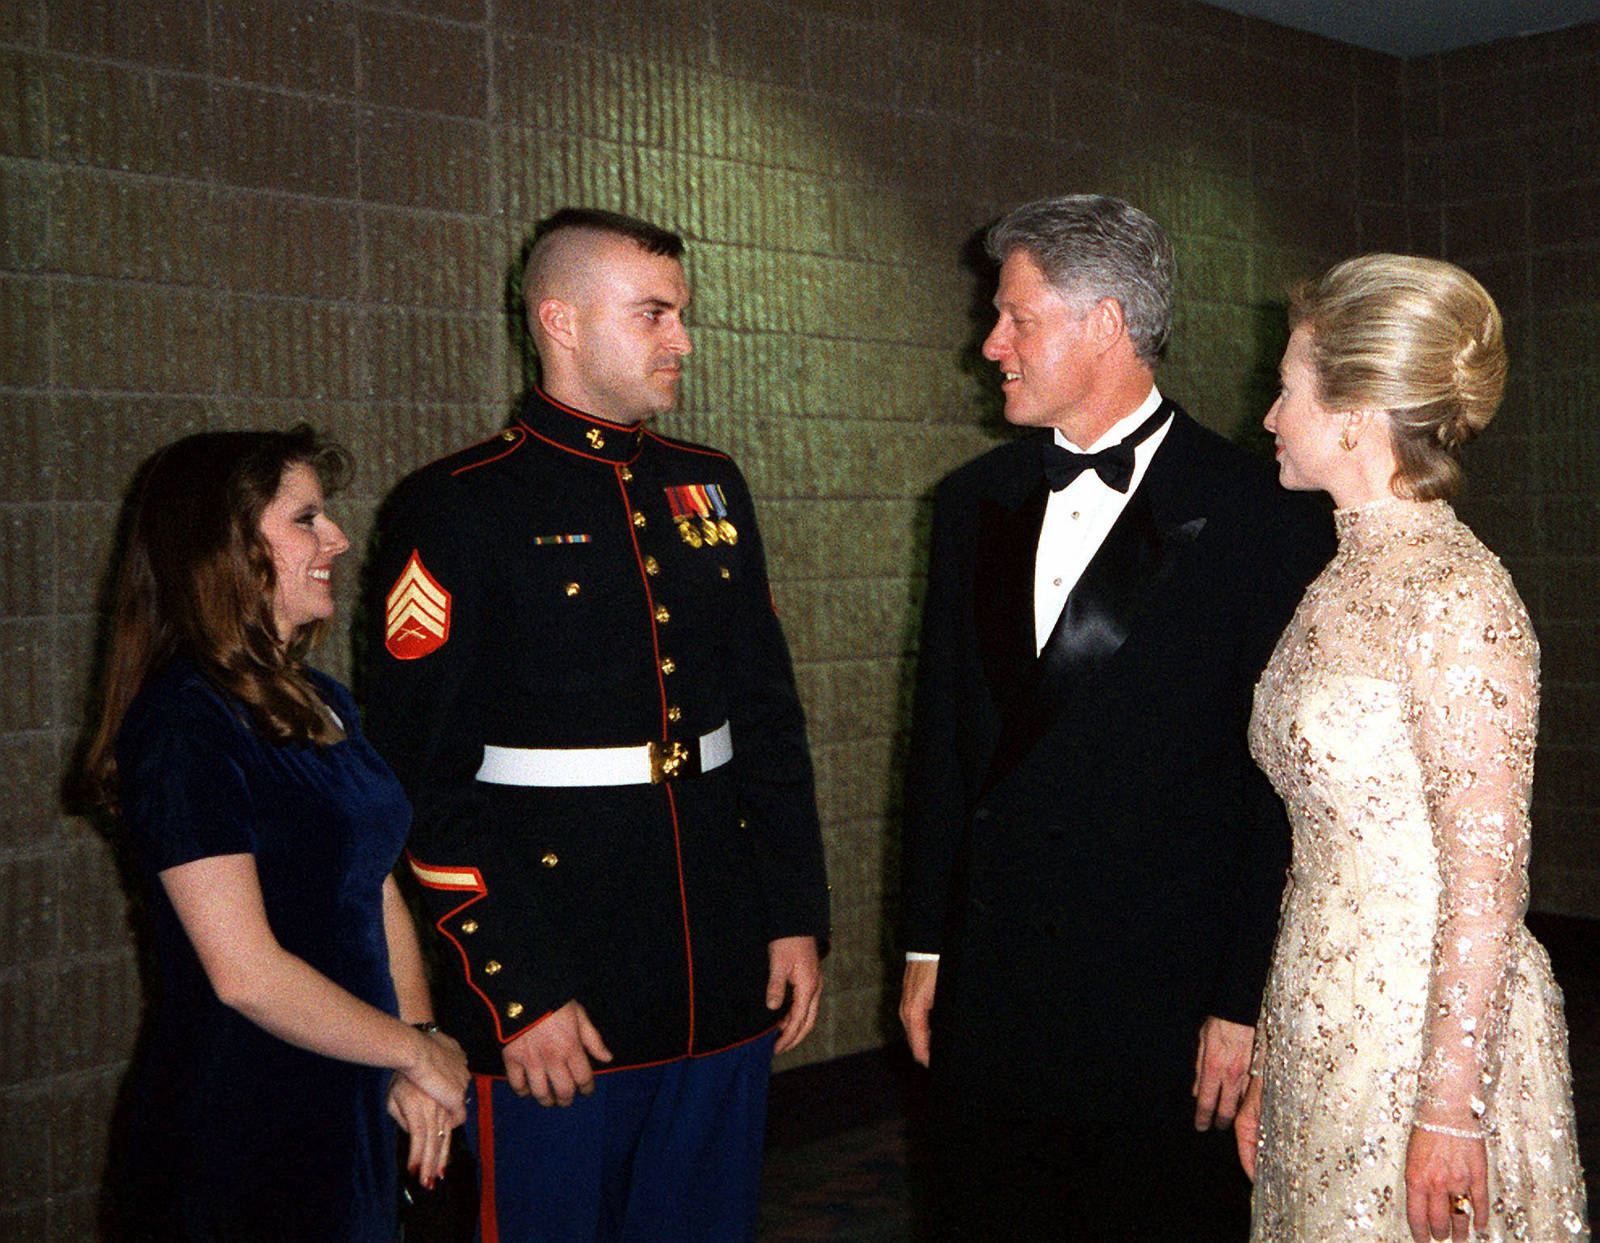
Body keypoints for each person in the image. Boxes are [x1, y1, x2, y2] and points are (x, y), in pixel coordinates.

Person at [364, 207, 830, 1242]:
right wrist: (510, 991)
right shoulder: (458, 506)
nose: (684, 341)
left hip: (718, 956)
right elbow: (419, 780)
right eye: (654, 314)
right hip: (559, 977)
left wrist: (794, 910)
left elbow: (766, 720)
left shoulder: (708, 485)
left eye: (683, 314)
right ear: (559, 321)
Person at [897, 194, 1334, 1240]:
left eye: (1016, 317)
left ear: (1103, 324)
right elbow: (944, 746)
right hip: (996, 984)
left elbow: (1279, 796)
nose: (989, 343)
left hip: (1163, 998)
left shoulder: (1261, 514)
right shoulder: (971, 501)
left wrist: (1244, 1001)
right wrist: (924, 945)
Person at [1237, 254, 1589, 1242]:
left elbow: (1486, 875)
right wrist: (1273, 1049)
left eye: (1287, 386)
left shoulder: (1458, 597)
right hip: (1321, 1020)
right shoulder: (1333, 583)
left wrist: (1448, 1106)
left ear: (1355, 413)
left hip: (1421, 1041)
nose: (1269, 414)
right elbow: (1314, 854)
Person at [81, 428, 471, 1243]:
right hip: (247, 1122)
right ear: (227, 550)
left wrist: (418, 1046)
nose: (338, 538)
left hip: (347, 1093)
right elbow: (245, 974)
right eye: (307, 520)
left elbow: (376, 883)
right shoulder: (185, 722)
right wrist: (409, 1048)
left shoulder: (323, 698)